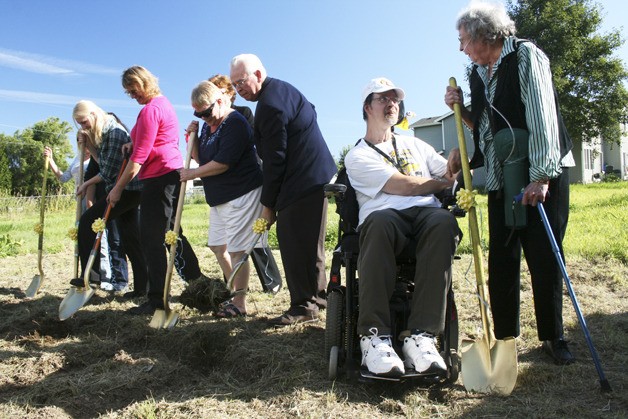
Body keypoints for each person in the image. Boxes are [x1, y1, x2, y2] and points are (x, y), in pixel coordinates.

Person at [444, 1, 575, 365]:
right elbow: (487, 128)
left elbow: (542, 115)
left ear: (486, 34)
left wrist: (542, 176)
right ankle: (504, 338)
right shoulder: (476, 73)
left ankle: (553, 337)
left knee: (544, 255)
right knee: (502, 257)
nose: (461, 48)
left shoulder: (526, 56)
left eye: (464, 39)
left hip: (540, 173)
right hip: (504, 174)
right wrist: (462, 112)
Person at [344, 77, 461, 378]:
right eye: (383, 99)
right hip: (385, 217)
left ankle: (421, 337)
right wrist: (440, 185)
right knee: (381, 222)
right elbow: (402, 186)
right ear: (367, 107)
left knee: (444, 220)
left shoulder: (415, 144)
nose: (392, 104)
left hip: (426, 215)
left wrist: (456, 165)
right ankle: (374, 336)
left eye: (394, 99)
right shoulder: (358, 156)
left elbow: (447, 173)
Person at [230, 54, 337, 325]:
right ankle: (319, 296)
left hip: (301, 180)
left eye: (241, 81)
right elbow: (311, 109)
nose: (238, 88)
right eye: (233, 84)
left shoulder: (270, 105)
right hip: (314, 175)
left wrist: (267, 207)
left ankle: (304, 306)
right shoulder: (283, 89)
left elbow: (275, 161)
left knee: (293, 243)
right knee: (311, 242)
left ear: (258, 74)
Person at [110, 65, 204, 315]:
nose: (133, 95)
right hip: (167, 174)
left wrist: (118, 188)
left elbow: (140, 157)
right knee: (172, 234)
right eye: (128, 93)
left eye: (134, 89)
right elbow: (149, 142)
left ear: (145, 82)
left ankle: (156, 301)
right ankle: (199, 285)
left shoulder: (152, 109)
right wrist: (132, 142)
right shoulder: (161, 105)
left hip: (160, 177)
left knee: (152, 238)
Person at [180, 80, 264, 318]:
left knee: (237, 250)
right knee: (218, 246)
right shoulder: (207, 126)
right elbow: (200, 158)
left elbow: (223, 163)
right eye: (199, 114)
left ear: (219, 101)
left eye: (207, 112)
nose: (205, 117)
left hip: (242, 193)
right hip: (218, 197)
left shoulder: (234, 122)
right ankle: (232, 291)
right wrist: (192, 138)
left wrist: (192, 174)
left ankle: (239, 302)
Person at [209, 74, 282, 294]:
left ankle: (271, 282)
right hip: (224, 188)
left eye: (219, 90)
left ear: (227, 93)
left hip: (248, 179)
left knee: (255, 239)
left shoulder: (243, 114)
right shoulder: (209, 123)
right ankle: (234, 284)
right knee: (231, 243)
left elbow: (249, 143)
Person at [68, 100, 148, 298]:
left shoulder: (114, 133)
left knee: (87, 222)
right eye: (79, 124)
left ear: (94, 114)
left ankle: (92, 277)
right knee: (130, 238)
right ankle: (142, 288)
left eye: (84, 122)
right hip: (123, 189)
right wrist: (89, 145)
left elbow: (109, 173)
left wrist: (86, 184)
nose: (83, 126)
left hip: (128, 189)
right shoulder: (103, 133)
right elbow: (102, 163)